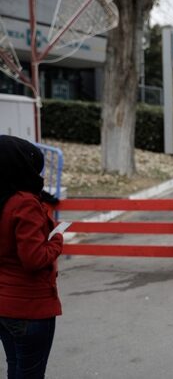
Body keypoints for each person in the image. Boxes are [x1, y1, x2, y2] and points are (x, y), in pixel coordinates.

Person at [0, 135, 64, 378]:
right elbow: (34, 258)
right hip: (28, 305)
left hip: (4, 304)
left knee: (15, 366)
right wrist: (57, 240)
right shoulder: (24, 203)